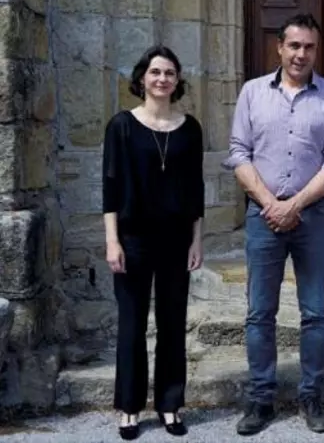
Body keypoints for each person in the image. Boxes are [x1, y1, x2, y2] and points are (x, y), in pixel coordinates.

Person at [223, 13, 324, 436]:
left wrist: (293, 204)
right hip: (263, 218)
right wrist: (268, 204)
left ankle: (311, 395)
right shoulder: (252, 93)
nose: (300, 54)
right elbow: (239, 152)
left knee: (315, 312)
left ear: (317, 50)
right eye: (293, 46)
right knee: (260, 312)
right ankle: (261, 399)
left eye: (309, 47)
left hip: (313, 217)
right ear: (279, 47)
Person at [103, 45, 205, 440]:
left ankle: (169, 404)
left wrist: (197, 241)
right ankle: (129, 407)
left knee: (172, 324)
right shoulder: (122, 126)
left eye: (170, 73)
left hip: (177, 239)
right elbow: (110, 189)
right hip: (133, 239)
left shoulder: (190, 128)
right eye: (155, 72)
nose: (162, 79)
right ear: (142, 78)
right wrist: (112, 242)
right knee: (131, 325)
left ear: (177, 81)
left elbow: (195, 190)